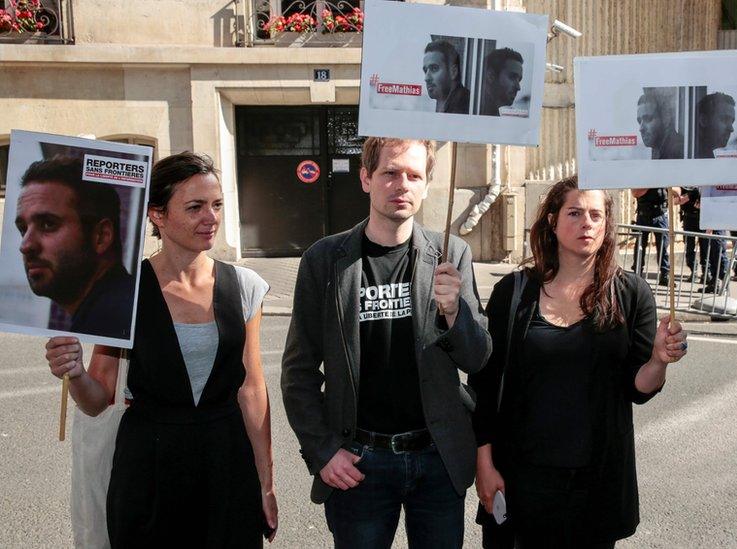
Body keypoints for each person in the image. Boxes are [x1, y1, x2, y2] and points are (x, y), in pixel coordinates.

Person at [43, 152, 277, 546]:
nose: (212, 217)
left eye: (217, 204)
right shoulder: (122, 292)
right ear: (157, 215)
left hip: (226, 463)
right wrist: (75, 372)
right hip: (149, 468)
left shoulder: (245, 286)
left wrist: (265, 482)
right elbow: (97, 400)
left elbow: (251, 388)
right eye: (195, 207)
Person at [280, 137, 491, 548]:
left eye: (414, 175)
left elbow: (478, 357)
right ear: (365, 178)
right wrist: (323, 452)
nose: (402, 184)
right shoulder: (324, 259)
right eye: (390, 172)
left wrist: (455, 314)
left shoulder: (451, 254)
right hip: (360, 463)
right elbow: (297, 373)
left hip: (437, 459)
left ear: (427, 184)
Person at [470, 175, 688, 548]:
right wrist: (484, 464)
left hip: (596, 486)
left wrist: (658, 360)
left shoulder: (632, 293)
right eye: (574, 213)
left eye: (595, 215)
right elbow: (484, 386)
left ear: (607, 225)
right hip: (521, 483)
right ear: (552, 222)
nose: (586, 223)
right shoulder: (514, 292)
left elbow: (639, 387)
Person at [15, 156, 135, 339]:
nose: (25, 245)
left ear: (101, 236)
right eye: (23, 229)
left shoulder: (114, 321)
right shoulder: (108, 312)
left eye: (48, 224)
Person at [630, 187, 670, 284]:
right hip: (644, 214)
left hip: (660, 214)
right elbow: (635, 192)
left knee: (663, 246)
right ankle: (637, 273)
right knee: (640, 246)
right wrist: (652, 183)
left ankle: (665, 274)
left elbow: (677, 191)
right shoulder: (642, 176)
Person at [423, 40, 470, 114]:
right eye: (425, 70)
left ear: (453, 72)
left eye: (434, 68)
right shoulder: (446, 105)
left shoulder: (466, 107)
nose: (426, 78)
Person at [637, 88, 684, 159]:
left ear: (666, 119)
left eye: (648, 119)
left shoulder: (676, 150)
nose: (641, 128)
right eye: (639, 121)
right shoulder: (658, 148)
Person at [480, 47, 523, 116]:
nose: (518, 87)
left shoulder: (487, 112)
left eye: (519, 80)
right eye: (512, 77)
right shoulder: (471, 107)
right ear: (491, 76)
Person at [694, 92, 736, 159]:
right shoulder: (689, 152)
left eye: (732, 122)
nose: (731, 129)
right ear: (703, 120)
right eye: (725, 119)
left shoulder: (703, 154)